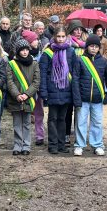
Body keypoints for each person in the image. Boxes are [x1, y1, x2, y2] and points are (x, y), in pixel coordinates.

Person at [71, 34, 107, 156]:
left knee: (97, 122)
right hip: (83, 98)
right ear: (87, 47)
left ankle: (97, 144)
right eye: (91, 46)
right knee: (81, 122)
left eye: (96, 46)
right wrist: (77, 98)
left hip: (97, 99)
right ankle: (79, 145)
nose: (93, 48)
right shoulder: (80, 60)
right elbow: (75, 80)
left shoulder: (104, 62)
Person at [39, 26, 76, 154]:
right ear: (54, 37)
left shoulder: (71, 52)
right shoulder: (48, 53)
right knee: (53, 118)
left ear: (66, 37)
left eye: (62, 37)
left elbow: (74, 72)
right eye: (58, 37)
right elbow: (42, 74)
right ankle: (53, 145)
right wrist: (43, 92)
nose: (60, 39)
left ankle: (62, 144)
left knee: (63, 118)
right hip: (52, 89)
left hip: (66, 89)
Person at [6, 39, 40, 155]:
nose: (25, 52)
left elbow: (36, 82)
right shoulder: (11, 64)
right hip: (15, 98)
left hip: (28, 99)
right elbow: (10, 82)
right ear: (18, 51)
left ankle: (26, 146)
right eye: (22, 50)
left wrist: (26, 94)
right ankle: (17, 145)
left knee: (26, 123)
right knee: (16, 123)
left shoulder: (34, 63)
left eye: (26, 50)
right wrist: (17, 95)